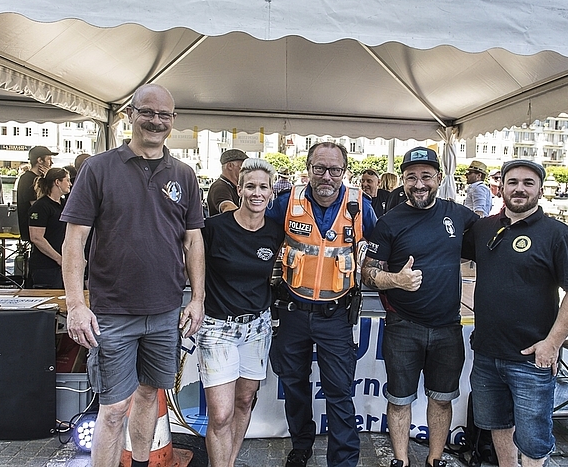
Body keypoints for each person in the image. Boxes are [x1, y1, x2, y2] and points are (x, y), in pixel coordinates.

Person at [61, 84, 205, 467]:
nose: (156, 121)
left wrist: (197, 299)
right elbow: (74, 241)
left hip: (165, 312)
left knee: (148, 395)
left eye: (165, 115)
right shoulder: (98, 168)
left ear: (173, 121)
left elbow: (193, 242)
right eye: (148, 112)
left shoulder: (184, 174)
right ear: (129, 114)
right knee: (112, 409)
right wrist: (76, 304)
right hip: (113, 312)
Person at [462, 159, 568, 467]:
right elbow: (446, 253)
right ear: (501, 188)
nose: (519, 189)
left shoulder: (558, 235)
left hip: (532, 357)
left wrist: (552, 343)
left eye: (528, 183)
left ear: (540, 191)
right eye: (513, 182)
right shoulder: (483, 229)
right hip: (488, 353)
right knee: (497, 423)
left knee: (533, 438)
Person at [361, 147, 478, 467]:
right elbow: (367, 273)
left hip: (448, 327)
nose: (419, 183)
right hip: (403, 326)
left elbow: (491, 239)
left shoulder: (458, 214)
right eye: (411, 177)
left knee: (441, 401)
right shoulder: (388, 222)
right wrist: (396, 280)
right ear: (403, 180)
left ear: (439, 178)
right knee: (399, 401)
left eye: (426, 176)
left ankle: (435, 459)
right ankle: (400, 460)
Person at [266, 141, 377, 467]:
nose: (326, 176)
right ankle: (301, 446)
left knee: (340, 393)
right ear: (308, 168)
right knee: (294, 386)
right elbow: (255, 235)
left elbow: (383, 246)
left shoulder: (361, 207)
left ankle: (343, 461)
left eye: (334, 169)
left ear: (345, 171)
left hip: (336, 317)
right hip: (292, 314)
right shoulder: (287, 203)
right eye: (319, 168)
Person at [197, 158, 285, 467]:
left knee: (245, 401)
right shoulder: (213, 228)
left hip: (257, 328)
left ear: (271, 192)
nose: (257, 193)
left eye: (263, 187)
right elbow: (190, 264)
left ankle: (228, 462)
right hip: (216, 328)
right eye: (250, 186)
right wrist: (195, 299)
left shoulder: (275, 233)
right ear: (239, 189)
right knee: (220, 414)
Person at [27, 167, 71, 288]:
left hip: (62, 264)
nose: (70, 184)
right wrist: (59, 258)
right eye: (67, 180)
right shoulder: (41, 206)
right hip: (46, 266)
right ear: (57, 182)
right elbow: (36, 237)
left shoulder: (64, 204)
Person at [18, 146, 57, 241]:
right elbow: (37, 205)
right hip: (35, 229)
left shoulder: (40, 178)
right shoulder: (27, 179)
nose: (51, 163)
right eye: (49, 159)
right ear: (40, 160)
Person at [207, 149, 248, 216]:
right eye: (242, 166)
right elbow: (226, 206)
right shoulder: (220, 187)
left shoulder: (232, 186)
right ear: (230, 166)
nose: (246, 170)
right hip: (223, 226)